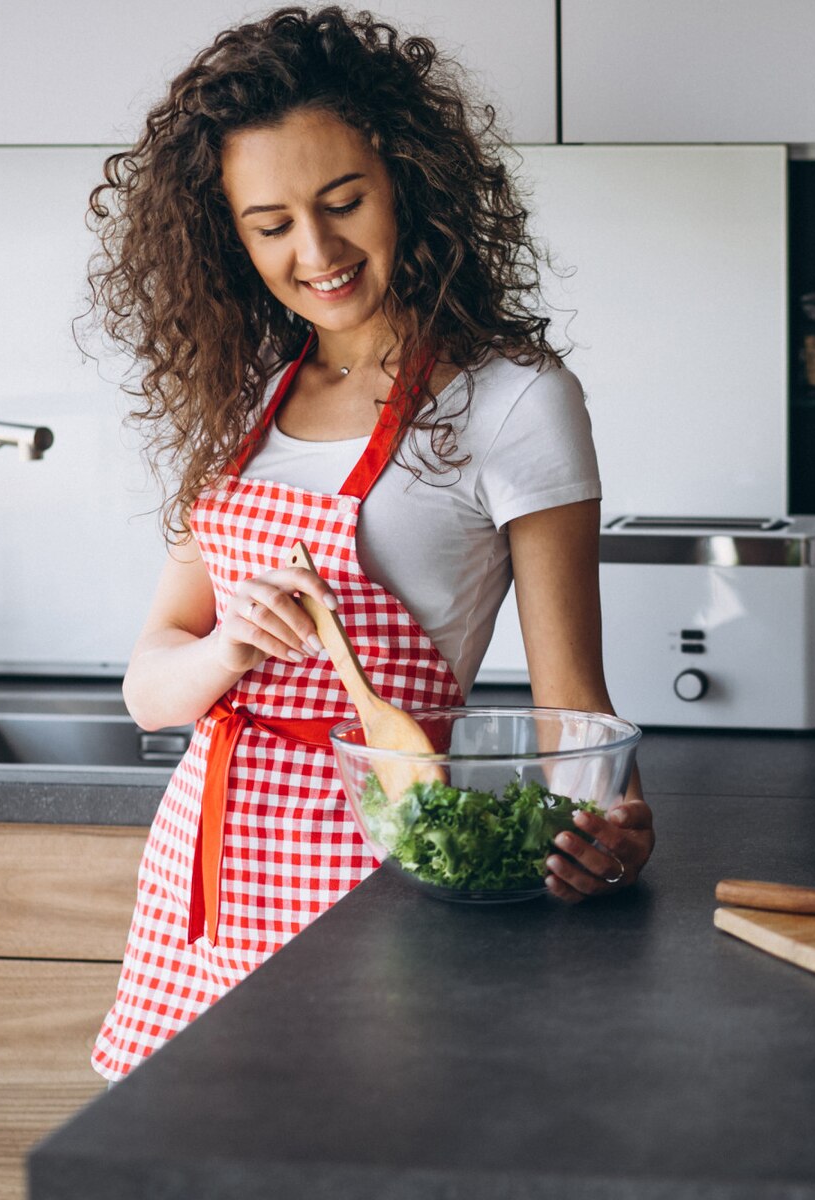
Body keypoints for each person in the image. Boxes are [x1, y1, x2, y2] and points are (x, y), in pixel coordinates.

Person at [84, 4, 653, 1083]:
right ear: (228, 236)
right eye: (271, 224)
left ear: (405, 177)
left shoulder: (515, 401)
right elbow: (151, 689)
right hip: (201, 881)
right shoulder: (249, 391)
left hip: (384, 871)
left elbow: (573, 714)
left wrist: (613, 828)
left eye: (342, 201)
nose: (318, 251)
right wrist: (228, 654)